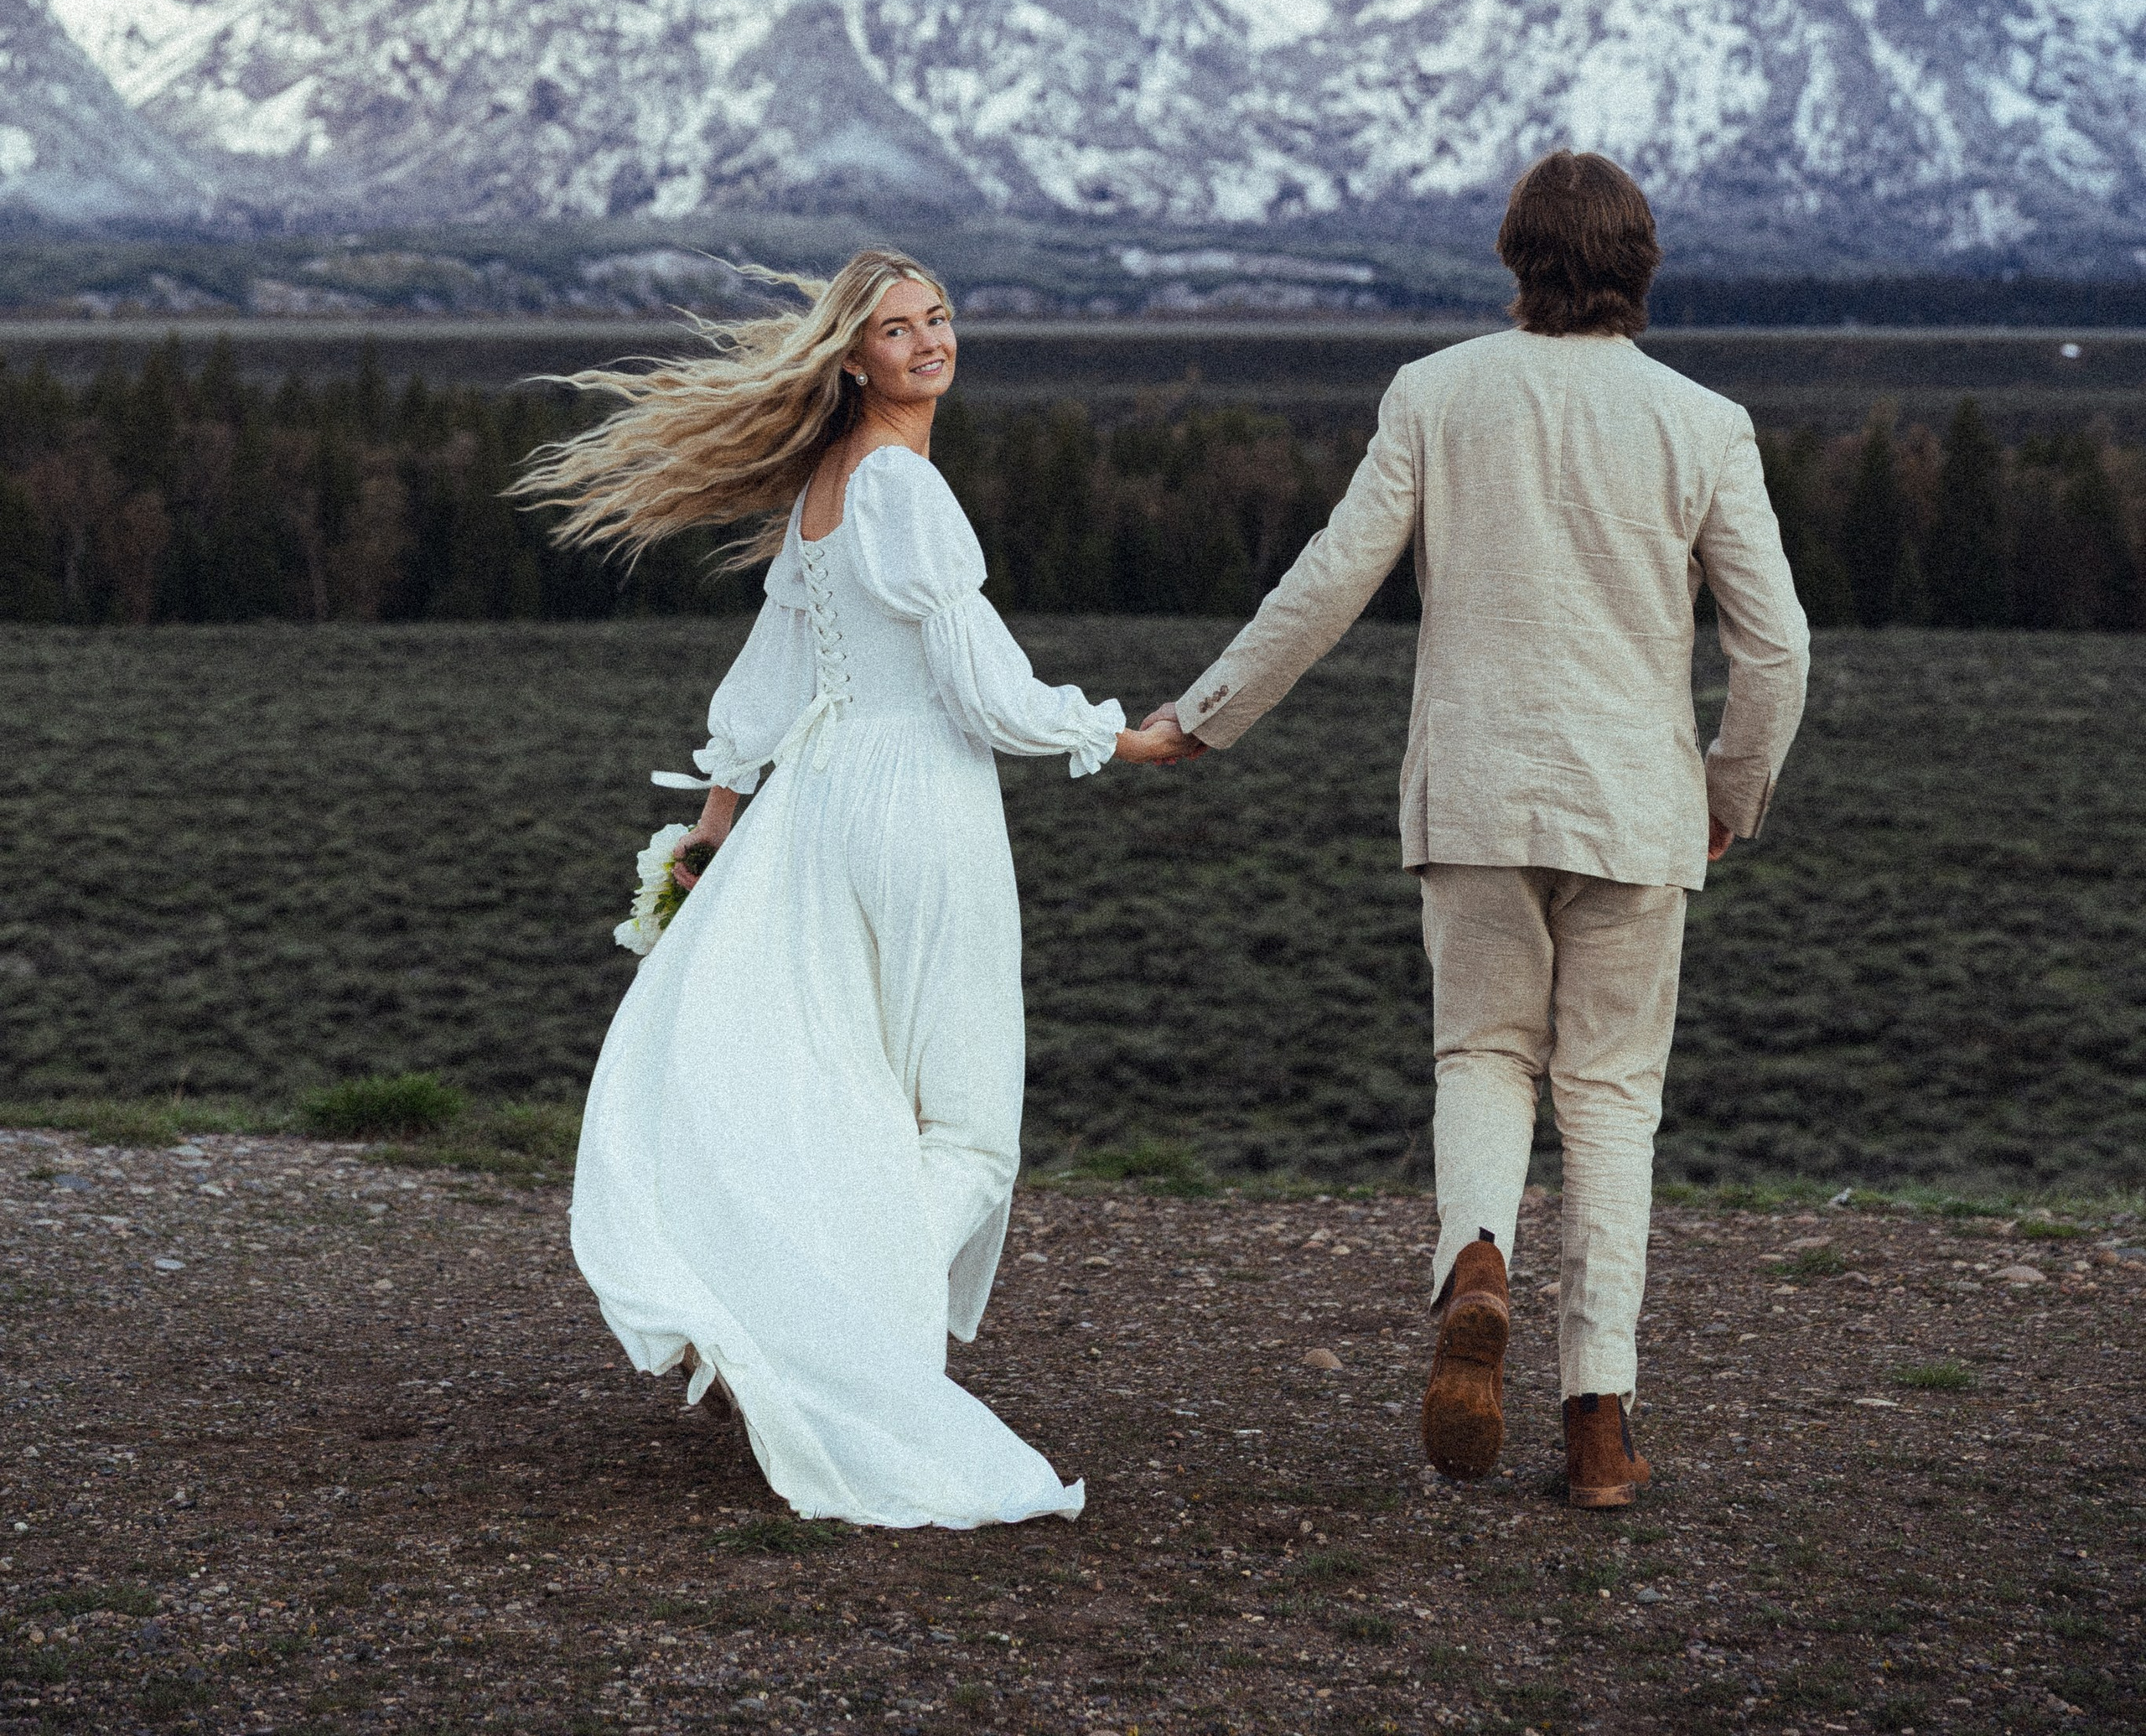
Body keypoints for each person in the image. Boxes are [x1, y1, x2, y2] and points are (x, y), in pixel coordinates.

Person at [1139, 152, 1808, 1508]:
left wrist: (1208, 716)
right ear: (1644, 265)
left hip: (1477, 793)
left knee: (1484, 1056)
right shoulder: (1705, 423)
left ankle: (1479, 1260)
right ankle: (1599, 1427)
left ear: (1514, 258)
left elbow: (1332, 577)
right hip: (1635, 806)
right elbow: (1779, 645)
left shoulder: (1435, 395)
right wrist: (1727, 795)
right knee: (1613, 1100)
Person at [519, 250, 1189, 1531]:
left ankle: (788, 1311)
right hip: (920, 808)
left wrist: (713, 832)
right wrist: (1125, 736)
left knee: (855, 1088)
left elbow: (766, 682)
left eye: (939, 317)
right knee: (972, 1136)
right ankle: (827, 1344)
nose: (931, 341)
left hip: (820, 814)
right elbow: (983, 694)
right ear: (854, 359)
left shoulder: (829, 491)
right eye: (898, 329)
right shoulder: (905, 493)